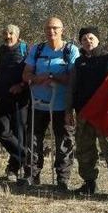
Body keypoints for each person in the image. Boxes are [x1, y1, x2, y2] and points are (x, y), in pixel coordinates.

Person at [65, 27, 108, 197]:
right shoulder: (78, 62)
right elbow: (72, 87)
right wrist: (68, 109)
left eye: (91, 38)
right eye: (85, 39)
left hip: (105, 114)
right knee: (85, 150)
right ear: (81, 42)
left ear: (98, 39)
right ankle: (89, 183)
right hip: (83, 113)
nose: (88, 41)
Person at [21, 17, 79, 190]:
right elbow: (26, 74)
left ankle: (62, 179)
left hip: (62, 106)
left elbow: (73, 78)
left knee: (64, 141)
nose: (51, 31)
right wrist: (35, 78)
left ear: (62, 30)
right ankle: (31, 175)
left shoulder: (70, 50)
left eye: (55, 28)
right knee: (33, 140)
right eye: (48, 28)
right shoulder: (37, 50)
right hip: (38, 104)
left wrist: (53, 77)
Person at [0, 25, 30, 182]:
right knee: (1, 131)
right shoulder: (1, 50)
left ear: (17, 35)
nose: (7, 36)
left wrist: (21, 85)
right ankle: (26, 156)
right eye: (5, 33)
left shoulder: (25, 49)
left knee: (19, 134)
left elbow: (32, 71)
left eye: (11, 33)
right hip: (1, 97)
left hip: (20, 99)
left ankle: (13, 170)